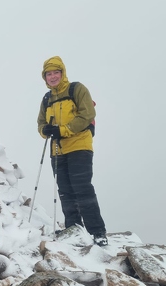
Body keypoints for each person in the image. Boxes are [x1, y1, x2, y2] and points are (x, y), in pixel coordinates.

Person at [37, 56, 108, 246]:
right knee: (65, 191)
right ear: (45, 77)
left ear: (63, 73)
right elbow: (41, 123)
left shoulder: (77, 89)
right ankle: (73, 229)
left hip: (79, 146)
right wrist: (45, 130)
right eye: (48, 74)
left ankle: (97, 232)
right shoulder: (47, 99)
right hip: (58, 150)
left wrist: (62, 130)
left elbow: (87, 114)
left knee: (82, 188)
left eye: (55, 73)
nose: (52, 77)